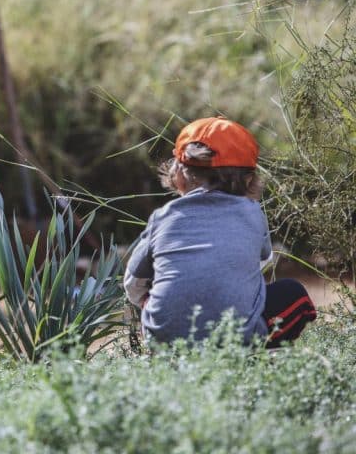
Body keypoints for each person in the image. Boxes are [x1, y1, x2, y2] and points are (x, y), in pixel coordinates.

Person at [124, 116, 316, 347]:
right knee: (294, 294)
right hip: (234, 340)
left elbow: (132, 283)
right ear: (248, 178)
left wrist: (149, 299)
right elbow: (262, 260)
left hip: (164, 342)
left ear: (179, 173)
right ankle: (250, 358)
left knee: (156, 294)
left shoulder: (163, 216)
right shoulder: (253, 213)